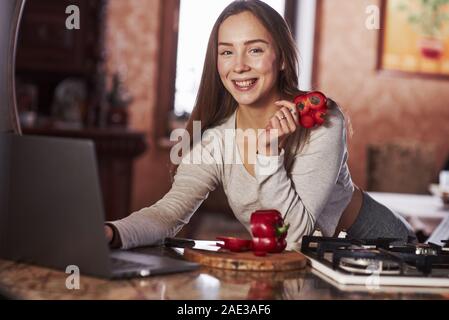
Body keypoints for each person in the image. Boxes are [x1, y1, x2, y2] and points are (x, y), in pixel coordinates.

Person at [104, 0, 416, 249]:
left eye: (255, 49)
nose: (239, 65)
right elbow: (168, 213)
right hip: (302, 268)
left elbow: (295, 236)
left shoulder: (321, 120)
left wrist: (267, 154)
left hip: (378, 248)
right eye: (227, 52)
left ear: (280, 59)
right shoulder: (216, 141)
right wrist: (111, 233)